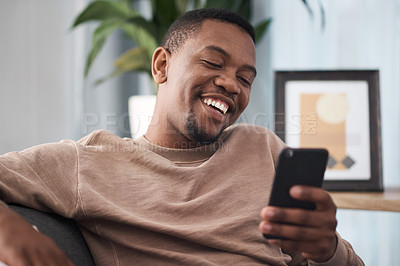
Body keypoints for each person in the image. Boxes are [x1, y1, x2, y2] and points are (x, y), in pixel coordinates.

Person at [0, 8, 364, 266]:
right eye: (213, 63)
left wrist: (328, 249)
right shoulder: (90, 163)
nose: (230, 84)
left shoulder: (262, 148)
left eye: (245, 78)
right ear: (162, 66)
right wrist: (11, 231)